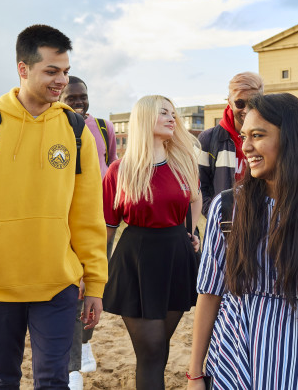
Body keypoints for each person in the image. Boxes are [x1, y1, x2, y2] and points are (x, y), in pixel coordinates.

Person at [0, 25, 107, 390]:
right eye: (51, 71)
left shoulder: (74, 129)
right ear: (23, 69)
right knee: (2, 379)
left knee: (53, 380)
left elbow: (87, 213)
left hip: (58, 283)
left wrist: (96, 284)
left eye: (65, 71)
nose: (61, 81)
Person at [188, 93, 298, 390]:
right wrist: (195, 374)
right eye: (244, 136)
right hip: (233, 364)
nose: (246, 147)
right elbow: (210, 293)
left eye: (258, 135)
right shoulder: (228, 209)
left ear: (292, 139)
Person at [102, 95, 201, 390]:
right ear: (145, 119)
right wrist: (93, 271)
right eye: (164, 113)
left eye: (174, 114)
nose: (173, 118)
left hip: (176, 257)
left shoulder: (183, 161)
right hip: (137, 260)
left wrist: (190, 231)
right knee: (152, 351)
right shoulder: (120, 170)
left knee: (161, 349)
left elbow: (194, 199)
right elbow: (107, 229)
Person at [61, 75, 117, 389]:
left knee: (95, 288)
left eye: (83, 97)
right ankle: (71, 369)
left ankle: (84, 342)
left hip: (100, 224)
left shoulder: (104, 127)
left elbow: (113, 168)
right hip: (65, 224)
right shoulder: (54, 128)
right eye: (73, 98)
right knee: (73, 290)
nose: (79, 103)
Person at [197, 71, 263, 215]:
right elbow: (199, 188)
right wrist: (219, 216)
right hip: (224, 227)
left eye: (254, 102)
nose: (246, 109)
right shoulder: (208, 140)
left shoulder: (270, 136)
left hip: (261, 224)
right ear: (229, 102)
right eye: (240, 103)